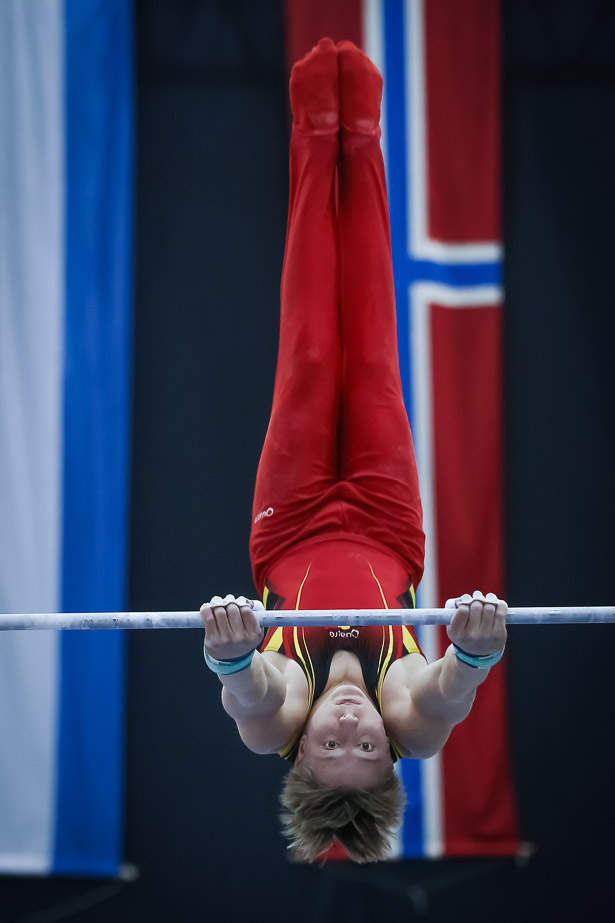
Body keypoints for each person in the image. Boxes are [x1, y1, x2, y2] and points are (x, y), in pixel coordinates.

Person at [200, 38, 507, 863]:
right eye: (365, 747)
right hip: (384, 521)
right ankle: (361, 136)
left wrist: (232, 659)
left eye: (329, 745)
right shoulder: (407, 716)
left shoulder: (278, 716)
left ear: (299, 750)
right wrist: (473, 651)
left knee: (307, 352)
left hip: (292, 521)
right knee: (371, 350)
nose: (346, 726)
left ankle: (314, 133)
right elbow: (446, 693)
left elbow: (251, 695)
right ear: (388, 750)